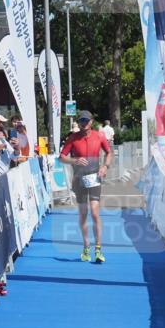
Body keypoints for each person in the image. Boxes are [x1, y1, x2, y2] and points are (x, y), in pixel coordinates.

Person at [59, 110, 112, 263]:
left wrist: (105, 167)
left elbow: (109, 153)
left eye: (86, 120)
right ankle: (86, 247)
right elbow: (61, 158)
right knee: (83, 213)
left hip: (95, 177)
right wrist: (74, 161)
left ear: (91, 121)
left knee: (95, 213)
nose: (84, 123)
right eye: (81, 120)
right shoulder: (73, 138)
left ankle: (98, 250)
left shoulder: (99, 136)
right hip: (79, 179)